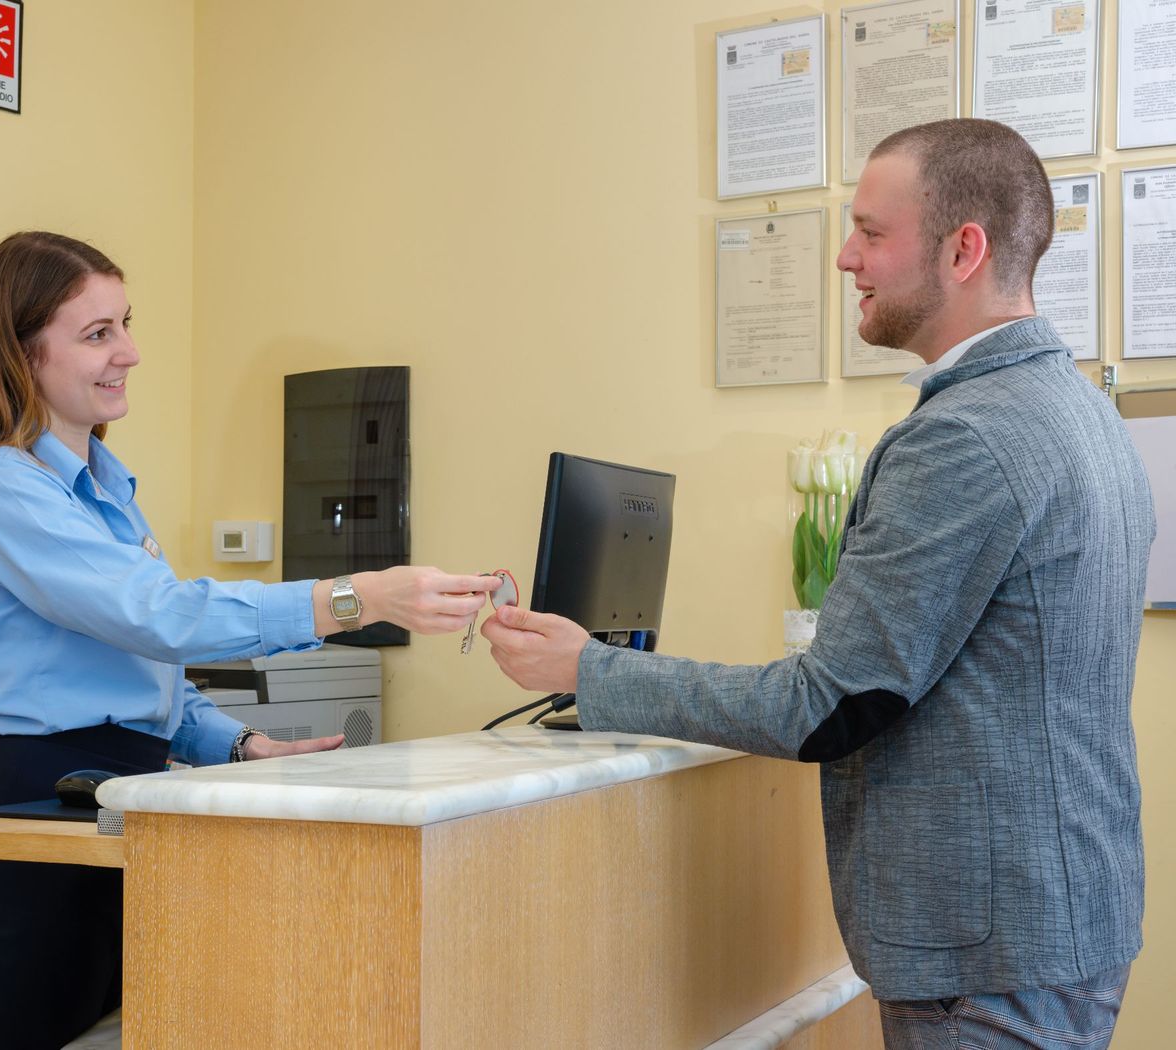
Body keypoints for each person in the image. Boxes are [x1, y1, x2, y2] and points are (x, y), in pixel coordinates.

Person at [483, 119, 1154, 1049]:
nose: (845, 259)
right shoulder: (1078, 408)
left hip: (987, 962)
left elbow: (829, 705)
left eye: (873, 233)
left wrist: (588, 670)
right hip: (1061, 927)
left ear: (965, 250)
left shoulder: (964, 437)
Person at [0, 230, 500, 1050]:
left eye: (125, 324)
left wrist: (241, 747)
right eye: (98, 334)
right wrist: (355, 596)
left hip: (130, 804)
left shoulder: (107, 493)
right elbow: (161, 616)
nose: (131, 351)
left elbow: (147, 670)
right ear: (23, 353)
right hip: (40, 813)